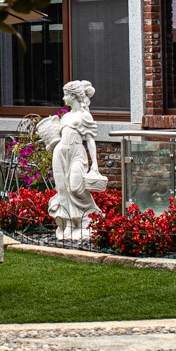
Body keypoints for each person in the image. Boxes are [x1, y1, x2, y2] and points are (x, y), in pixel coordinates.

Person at [41, 80, 107, 241]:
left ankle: (89, 217)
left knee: (76, 187)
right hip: (60, 155)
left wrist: (95, 165)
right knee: (63, 189)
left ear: (74, 96)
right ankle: (69, 223)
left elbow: (90, 141)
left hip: (77, 154)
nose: (64, 98)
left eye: (66, 95)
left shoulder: (84, 115)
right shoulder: (65, 116)